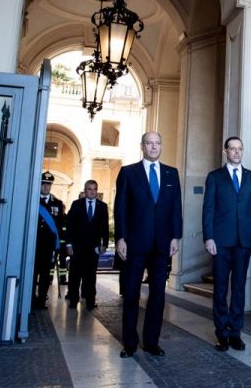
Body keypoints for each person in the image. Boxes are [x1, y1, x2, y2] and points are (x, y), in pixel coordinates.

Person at [115, 131, 183, 358]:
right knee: (131, 294)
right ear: (142, 146)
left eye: (157, 143)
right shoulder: (128, 173)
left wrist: (176, 236)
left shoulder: (172, 173)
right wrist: (120, 238)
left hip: (162, 244)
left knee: (158, 296)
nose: (154, 147)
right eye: (149, 143)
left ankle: (152, 342)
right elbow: (121, 207)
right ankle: (130, 343)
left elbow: (175, 208)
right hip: (135, 243)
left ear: (161, 146)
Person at [203, 136, 251, 352]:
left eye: (240, 149)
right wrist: (208, 237)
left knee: (238, 287)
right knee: (220, 288)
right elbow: (208, 209)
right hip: (220, 242)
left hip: (244, 241)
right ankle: (221, 333)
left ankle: (235, 332)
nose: (237, 152)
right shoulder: (215, 177)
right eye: (233, 149)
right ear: (225, 151)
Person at [65, 179, 109, 310]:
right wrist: (69, 244)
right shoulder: (77, 204)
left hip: (93, 248)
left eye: (94, 189)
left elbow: (105, 227)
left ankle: (90, 300)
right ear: (85, 190)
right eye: (89, 189)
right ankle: (73, 299)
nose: (92, 192)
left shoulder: (102, 206)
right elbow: (70, 225)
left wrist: (104, 244)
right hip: (77, 247)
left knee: (91, 275)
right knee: (75, 274)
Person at [33, 172, 65, 310]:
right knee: (32, 274)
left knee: (45, 275)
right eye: (44, 184)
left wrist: (59, 245)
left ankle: (41, 299)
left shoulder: (57, 203)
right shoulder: (33, 200)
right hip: (34, 244)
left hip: (49, 246)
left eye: (49, 185)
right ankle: (30, 299)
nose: (46, 187)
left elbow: (60, 226)